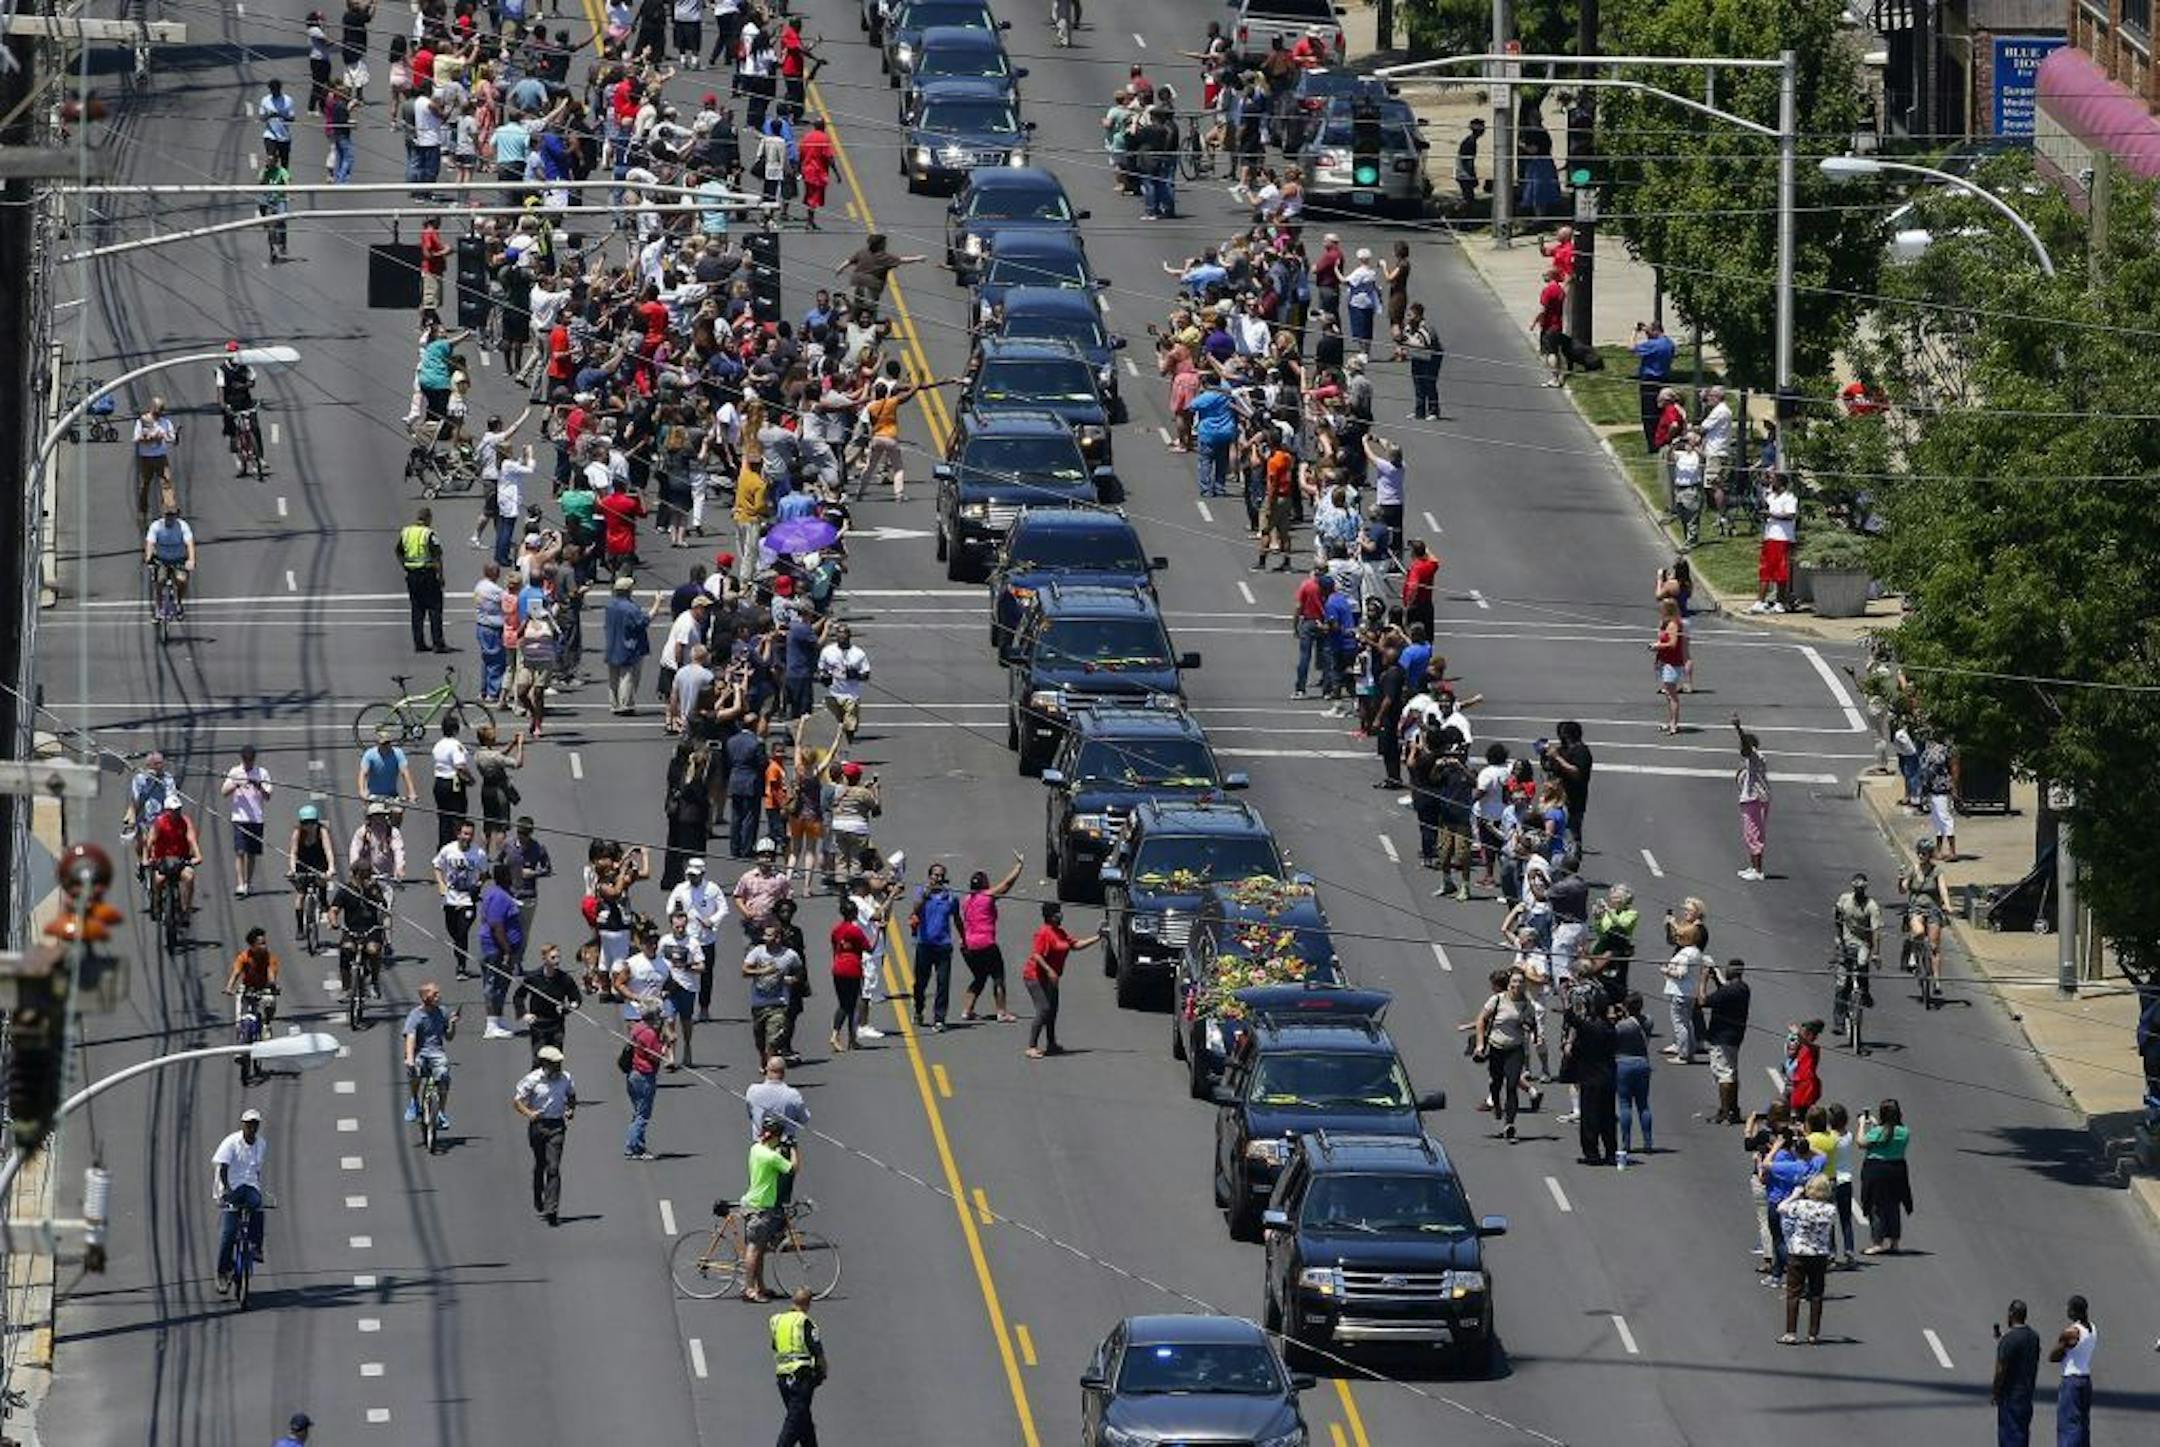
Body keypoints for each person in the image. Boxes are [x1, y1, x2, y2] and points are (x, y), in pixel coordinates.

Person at [1023, 901, 1099, 1059]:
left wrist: (1098, 937)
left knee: (1052, 1010)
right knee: (1043, 1009)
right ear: (1050, 916)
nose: (1060, 915)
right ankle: (1031, 1046)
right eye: (1057, 913)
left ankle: (1051, 1044)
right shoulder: (1044, 933)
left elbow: (1076, 945)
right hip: (1035, 977)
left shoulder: (1060, 932)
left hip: (1052, 979)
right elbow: (1036, 955)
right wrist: (1049, 970)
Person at [512, 1044, 576, 1226]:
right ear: (545, 1063)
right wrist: (529, 1113)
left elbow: (571, 1096)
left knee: (553, 1167)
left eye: (560, 1064)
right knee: (541, 1164)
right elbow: (517, 1101)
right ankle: (537, 1193)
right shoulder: (532, 1079)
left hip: (557, 1126)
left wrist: (570, 1110)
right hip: (538, 1126)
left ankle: (552, 1210)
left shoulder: (566, 1078)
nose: (558, 1067)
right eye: (555, 1064)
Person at [958, 854, 1024, 1023]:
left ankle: (967, 1010)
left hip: (968, 947)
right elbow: (1006, 885)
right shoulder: (987, 897)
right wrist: (1018, 866)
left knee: (979, 977)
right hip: (986, 945)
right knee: (998, 977)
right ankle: (1001, 1012)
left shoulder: (966, 900)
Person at [740, 1117, 798, 1302]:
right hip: (761, 1207)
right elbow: (792, 1169)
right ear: (775, 1137)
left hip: (752, 1203)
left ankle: (760, 1286)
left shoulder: (756, 1149)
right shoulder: (771, 1157)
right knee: (754, 1248)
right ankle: (749, 1289)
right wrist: (794, 1149)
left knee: (760, 1249)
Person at [1776, 1175, 1837, 1345]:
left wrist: (1795, 1195)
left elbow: (1781, 1208)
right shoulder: (1830, 1210)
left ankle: (1791, 1333)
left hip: (1798, 1253)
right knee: (1816, 1294)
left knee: (1793, 1293)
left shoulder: (1800, 1206)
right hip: (1819, 1254)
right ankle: (1813, 1334)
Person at [212, 1109, 268, 1293]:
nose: (252, 1127)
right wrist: (226, 1190)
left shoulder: (261, 1144)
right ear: (243, 1124)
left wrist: (258, 1188)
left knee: (258, 1206)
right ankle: (222, 1272)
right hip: (232, 1187)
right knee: (228, 1234)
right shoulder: (231, 1142)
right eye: (249, 1123)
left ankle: (256, 1246)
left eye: (255, 1124)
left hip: (249, 1186)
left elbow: (256, 1170)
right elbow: (223, 1168)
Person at [770, 1285, 826, 1445]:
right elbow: (817, 1352)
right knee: (794, 1422)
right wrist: (823, 1372)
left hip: (782, 1377)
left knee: (803, 1421)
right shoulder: (805, 1322)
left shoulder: (777, 1320)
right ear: (808, 1304)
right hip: (801, 1378)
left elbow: (775, 1346)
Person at [401, 981, 459, 1131]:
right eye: (435, 994)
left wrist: (452, 1024)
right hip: (419, 1052)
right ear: (426, 996)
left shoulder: (443, 1012)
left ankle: (441, 1113)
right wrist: (409, 1058)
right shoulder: (416, 1015)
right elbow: (410, 1037)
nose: (438, 996)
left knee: (444, 1077)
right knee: (415, 1073)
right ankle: (414, 1102)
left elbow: (449, 1037)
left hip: (437, 1052)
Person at [1856, 1098, 1912, 1253]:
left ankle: (1877, 1242)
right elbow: (1887, 1137)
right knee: (1894, 1205)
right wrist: (1876, 1126)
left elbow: (1861, 1142)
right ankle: (1895, 1242)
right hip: (1897, 1170)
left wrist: (1861, 1124)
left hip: (1877, 1170)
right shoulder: (1904, 1131)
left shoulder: (1878, 1132)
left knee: (1876, 1206)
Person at [513, 943, 582, 1066]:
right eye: (553, 958)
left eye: (558, 957)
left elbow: (576, 999)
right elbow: (518, 996)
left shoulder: (565, 979)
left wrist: (569, 1007)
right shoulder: (533, 978)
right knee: (538, 1060)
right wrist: (524, 1014)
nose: (557, 961)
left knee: (556, 1061)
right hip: (538, 1024)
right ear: (544, 958)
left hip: (557, 1025)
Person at [1699, 958, 1750, 1124]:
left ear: (1731, 971)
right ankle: (1733, 1109)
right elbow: (1724, 993)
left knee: (1724, 1075)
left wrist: (1704, 980)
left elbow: (1703, 1001)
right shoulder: (1742, 989)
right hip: (1734, 1037)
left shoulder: (1729, 991)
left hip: (1722, 1037)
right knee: (1731, 1072)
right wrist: (1717, 978)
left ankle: (1725, 1111)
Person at [219, 744, 274, 897]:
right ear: (242, 759)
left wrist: (259, 786)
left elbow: (268, 796)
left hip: (256, 818)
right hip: (239, 818)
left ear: (254, 759)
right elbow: (224, 792)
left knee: (251, 853)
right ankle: (240, 883)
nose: (248, 763)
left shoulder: (262, 773)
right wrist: (236, 784)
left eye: (250, 760)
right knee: (240, 851)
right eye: (246, 760)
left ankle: (248, 883)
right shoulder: (235, 772)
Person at [397, 506, 451, 653]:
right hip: (428, 574)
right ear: (428, 518)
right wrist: (440, 576)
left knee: (417, 610)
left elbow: (399, 552)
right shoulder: (429, 534)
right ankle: (438, 643)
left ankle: (419, 643)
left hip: (412, 575)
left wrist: (406, 567)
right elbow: (437, 556)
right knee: (434, 608)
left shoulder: (406, 532)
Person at [2048, 1295, 2096, 1447]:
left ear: (2075, 1311)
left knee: (2068, 1425)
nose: (2067, 1310)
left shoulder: (2072, 1332)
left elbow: (2053, 1356)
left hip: (2071, 1381)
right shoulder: (2093, 1328)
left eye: (2069, 1307)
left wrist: (2061, 1344)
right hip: (2086, 1379)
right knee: (2083, 1424)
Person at [1993, 1299, 2042, 1447]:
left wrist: (1995, 1392)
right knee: (2022, 1433)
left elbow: (2000, 1370)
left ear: (2011, 1314)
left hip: (2010, 1396)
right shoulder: (2034, 1337)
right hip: (2027, 1394)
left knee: (2009, 1436)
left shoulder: (2008, 1341)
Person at [1832, 872, 1881, 1022]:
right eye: (1856, 888)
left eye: (1862, 888)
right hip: (1845, 942)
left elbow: (1876, 931)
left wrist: (1876, 953)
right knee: (1841, 983)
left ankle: (1864, 992)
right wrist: (1839, 938)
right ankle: (1839, 1020)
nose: (1859, 891)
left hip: (1863, 944)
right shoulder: (1844, 900)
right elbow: (1837, 918)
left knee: (1861, 964)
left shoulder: (1872, 906)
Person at [285, 803, 338, 942]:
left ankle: (323, 899)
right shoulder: (298, 833)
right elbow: (293, 852)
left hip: (319, 861)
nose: (309, 826)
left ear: (316, 822)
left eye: (312, 822)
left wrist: (331, 868)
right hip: (302, 862)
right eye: (305, 823)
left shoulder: (322, 831)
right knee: (300, 895)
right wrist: (292, 869)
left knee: (322, 879)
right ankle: (300, 928)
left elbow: (328, 850)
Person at [623, 1000, 665, 1160]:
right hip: (644, 1075)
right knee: (643, 1114)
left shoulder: (637, 1027)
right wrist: (664, 1049)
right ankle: (635, 1148)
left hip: (633, 1073)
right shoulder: (649, 1033)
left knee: (637, 1112)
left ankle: (634, 1143)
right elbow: (655, 1056)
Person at [1732, 715, 1771, 880]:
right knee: (1750, 833)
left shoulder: (1754, 756)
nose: (1740, 749)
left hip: (1755, 800)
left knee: (1754, 834)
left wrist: (1739, 729)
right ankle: (1753, 867)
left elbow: (1747, 749)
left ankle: (1758, 871)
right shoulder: (1751, 760)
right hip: (1751, 800)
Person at [1629, 320, 1676, 454]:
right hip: (1664, 380)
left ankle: (1653, 445)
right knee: (1663, 413)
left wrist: (1634, 332)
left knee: (1649, 415)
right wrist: (1646, 329)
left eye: (1649, 332)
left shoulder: (1653, 345)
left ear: (1655, 331)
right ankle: (1663, 440)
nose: (1647, 335)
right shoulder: (1669, 344)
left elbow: (1631, 348)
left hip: (1650, 382)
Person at [225, 926, 282, 1029]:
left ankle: (266, 1024)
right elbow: (236, 972)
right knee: (239, 1020)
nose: (265, 946)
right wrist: (229, 987)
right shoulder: (243, 957)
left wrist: (273, 985)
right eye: (261, 944)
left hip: (263, 987)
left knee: (270, 1002)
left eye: (265, 943)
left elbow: (271, 973)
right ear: (252, 946)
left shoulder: (269, 957)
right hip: (247, 987)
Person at [143, 503, 197, 614]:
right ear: (163, 515)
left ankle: (179, 602)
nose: (169, 517)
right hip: (162, 559)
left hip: (179, 559)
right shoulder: (156, 526)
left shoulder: (183, 526)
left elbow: (189, 544)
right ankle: (159, 606)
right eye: (167, 515)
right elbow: (150, 543)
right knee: (160, 581)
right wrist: (148, 557)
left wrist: (191, 560)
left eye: (172, 515)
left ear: (176, 515)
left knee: (181, 580)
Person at [1455, 116, 1484, 206]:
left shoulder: (1470, 140)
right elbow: (1467, 162)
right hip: (1465, 174)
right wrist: (1472, 176)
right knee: (1468, 199)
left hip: (1462, 173)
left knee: (1468, 198)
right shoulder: (1471, 142)